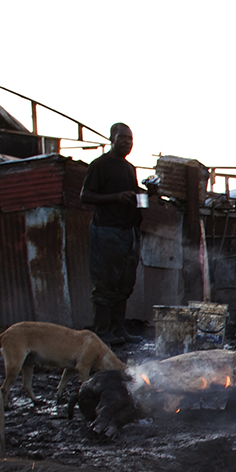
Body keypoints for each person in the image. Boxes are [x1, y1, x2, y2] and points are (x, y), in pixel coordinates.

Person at [80, 123, 143, 345]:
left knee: (125, 283)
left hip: (127, 232)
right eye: (122, 138)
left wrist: (147, 194)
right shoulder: (99, 165)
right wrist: (115, 197)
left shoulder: (129, 168)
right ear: (111, 139)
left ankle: (119, 329)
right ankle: (102, 333)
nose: (127, 142)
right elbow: (85, 196)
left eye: (130, 139)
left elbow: (133, 195)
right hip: (106, 230)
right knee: (105, 283)